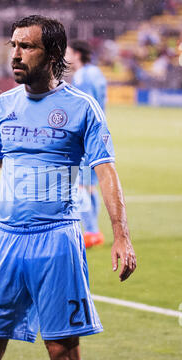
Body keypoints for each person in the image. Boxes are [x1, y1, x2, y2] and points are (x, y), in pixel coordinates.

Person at [0, 15, 136, 360]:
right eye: (13, 45)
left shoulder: (81, 107)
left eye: (26, 46)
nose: (15, 54)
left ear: (53, 52)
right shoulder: (4, 105)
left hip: (57, 241)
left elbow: (106, 171)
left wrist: (121, 234)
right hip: (5, 240)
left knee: (63, 352)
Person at [66, 40, 107, 248]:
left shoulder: (82, 75)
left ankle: (90, 232)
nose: (66, 57)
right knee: (91, 187)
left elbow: (85, 106)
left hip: (86, 134)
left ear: (77, 54)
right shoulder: (96, 72)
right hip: (100, 132)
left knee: (79, 185)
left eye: (69, 53)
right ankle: (94, 232)